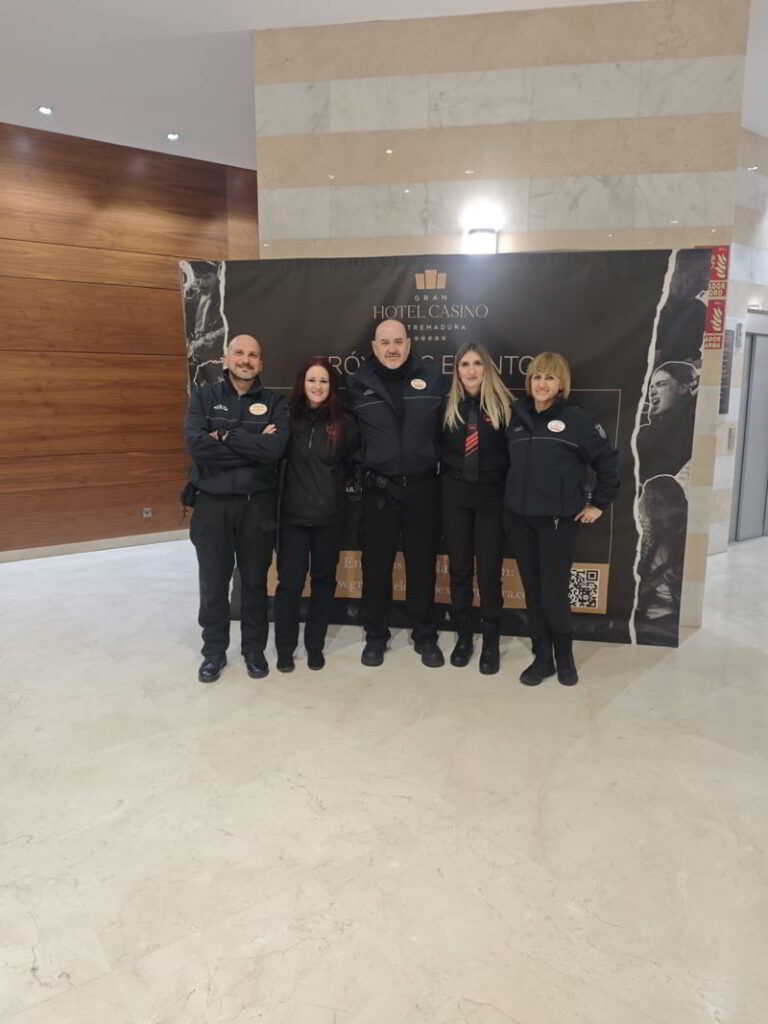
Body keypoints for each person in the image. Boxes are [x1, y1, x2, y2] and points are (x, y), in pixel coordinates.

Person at [504, 352, 619, 686]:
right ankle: (542, 658)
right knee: (533, 593)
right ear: (530, 382)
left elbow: (608, 463)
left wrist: (599, 503)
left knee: (554, 593)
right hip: (520, 520)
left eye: (550, 377)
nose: (542, 384)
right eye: (537, 377)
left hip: (557, 522)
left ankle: (565, 658)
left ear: (561, 384)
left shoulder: (578, 421)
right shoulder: (515, 416)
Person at [184, 334, 288, 683]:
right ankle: (213, 652)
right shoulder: (204, 397)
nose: (246, 360)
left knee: (255, 583)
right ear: (225, 359)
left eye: (253, 355)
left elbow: (274, 451)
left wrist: (226, 436)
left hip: (256, 507)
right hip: (211, 505)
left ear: (261, 363)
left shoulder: (275, 401)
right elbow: (197, 446)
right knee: (213, 584)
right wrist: (253, 444)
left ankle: (253, 650)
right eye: (239, 353)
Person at [347, 319, 446, 668]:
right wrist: (368, 464)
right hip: (379, 490)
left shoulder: (433, 377)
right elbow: (348, 436)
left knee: (422, 566)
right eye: (385, 342)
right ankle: (375, 636)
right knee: (376, 568)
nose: (392, 349)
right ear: (374, 347)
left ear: (409, 343)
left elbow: (445, 429)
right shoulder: (357, 383)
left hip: (422, 487)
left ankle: (425, 636)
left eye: (398, 341)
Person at [273, 359, 358, 673]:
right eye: (312, 380)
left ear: (331, 387)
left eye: (324, 381)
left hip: (329, 517)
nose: (317, 386)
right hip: (293, 517)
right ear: (302, 383)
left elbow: (351, 463)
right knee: (289, 584)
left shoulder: (344, 422)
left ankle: (314, 646)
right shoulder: (286, 417)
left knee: (323, 582)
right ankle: (285, 649)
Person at [441, 343, 512, 674]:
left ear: (487, 369)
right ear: (457, 370)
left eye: (477, 364)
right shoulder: (447, 406)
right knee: (459, 570)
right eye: (465, 364)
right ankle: (464, 637)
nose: (471, 370)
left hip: (491, 497)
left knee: (488, 574)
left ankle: (491, 642)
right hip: (455, 494)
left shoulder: (504, 407)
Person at [636, 361, 698, 483]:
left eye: (661, 384)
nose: (652, 392)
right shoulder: (652, 427)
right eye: (651, 387)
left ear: (683, 387)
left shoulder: (688, 426)